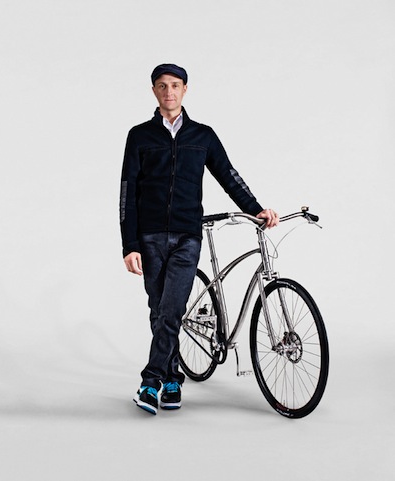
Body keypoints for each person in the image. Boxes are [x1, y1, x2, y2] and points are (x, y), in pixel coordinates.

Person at [119, 63, 278, 415]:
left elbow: (229, 176)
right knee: (160, 310)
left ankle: (150, 382)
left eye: (175, 85)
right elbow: (127, 193)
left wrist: (256, 209)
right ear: (154, 91)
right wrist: (129, 245)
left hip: (187, 235)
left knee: (172, 310)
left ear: (185, 89)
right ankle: (173, 380)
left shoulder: (202, 136)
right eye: (162, 86)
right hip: (149, 237)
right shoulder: (140, 136)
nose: (169, 92)